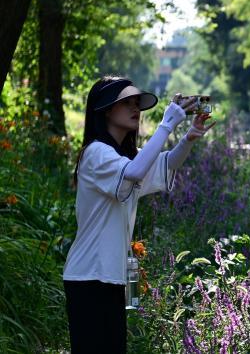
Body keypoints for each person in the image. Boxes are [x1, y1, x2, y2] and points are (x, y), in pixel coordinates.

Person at [62, 75, 216, 353]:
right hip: (88, 276)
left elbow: (162, 164)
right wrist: (167, 123)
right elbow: (134, 172)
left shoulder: (124, 157)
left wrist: (189, 139)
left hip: (112, 277)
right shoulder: (96, 153)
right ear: (107, 109)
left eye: (137, 103)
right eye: (127, 103)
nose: (136, 109)